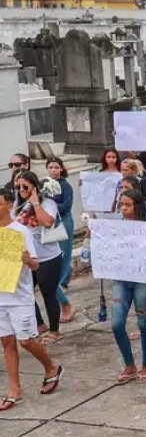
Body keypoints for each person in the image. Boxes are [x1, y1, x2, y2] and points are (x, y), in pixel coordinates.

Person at [0, 186, 64, 411]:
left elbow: (36, 264)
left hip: (19, 295)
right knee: (7, 342)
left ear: (8, 205)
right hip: (0, 297)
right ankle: (14, 390)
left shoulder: (21, 231)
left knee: (26, 340)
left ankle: (51, 366)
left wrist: (27, 260)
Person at [108, 189, 146, 384]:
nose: (124, 209)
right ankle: (129, 363)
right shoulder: (115, 226)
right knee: (116, 323)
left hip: (142, 279)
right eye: (122, 205)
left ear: (138, 206)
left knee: (143, 322)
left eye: (128, 205)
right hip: (121, 278)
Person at [14, 172, 66, 344]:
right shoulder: (18, 205)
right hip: (28, 258)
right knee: (24, 292)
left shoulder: (48, 203)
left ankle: (54, 331)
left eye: (25, 186)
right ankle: (40, 324)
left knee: (48, 294)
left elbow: (47, 222)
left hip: (48, 257)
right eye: (18, 186)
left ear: (34, 186)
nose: (21, 190)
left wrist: (35, 202)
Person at [44, 157, 76, 323]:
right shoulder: (45, 185)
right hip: (50, 222)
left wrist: (50, 206)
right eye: (50, 167)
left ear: (61, 169)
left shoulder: (65, 185)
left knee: (64, 253)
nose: (53, 170)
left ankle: (62, 281)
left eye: (56, 167)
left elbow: (67, 206)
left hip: (63, 221)